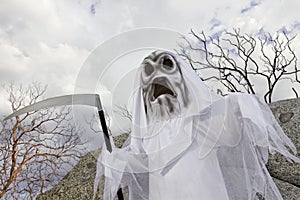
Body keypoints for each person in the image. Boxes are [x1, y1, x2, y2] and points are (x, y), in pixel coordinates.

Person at [94, 50, 300, 200]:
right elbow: (140, 167)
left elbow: (231, 135)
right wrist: (115, 159)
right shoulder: (148, 136)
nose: (160, 89)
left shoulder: (200, 120)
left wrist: (237, 107)